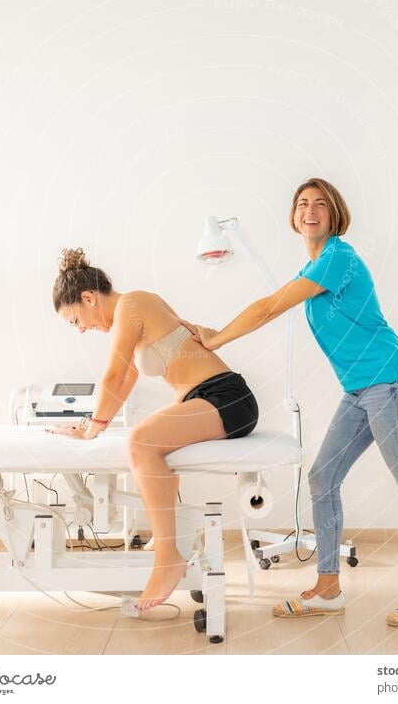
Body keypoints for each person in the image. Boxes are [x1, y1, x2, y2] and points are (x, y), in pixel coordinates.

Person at [187, 178, 398, 626]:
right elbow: (270, 304)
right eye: (302, 204)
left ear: (334, 214)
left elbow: (268, 308)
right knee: (323, 477)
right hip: (360, 391)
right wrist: (213, 333)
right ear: (293, 217)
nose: (310, 210)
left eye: (320, 204)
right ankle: (328, 588)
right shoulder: (314, 268)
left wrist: (216, 338)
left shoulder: (337, 258)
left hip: (393, 384)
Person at [46, 247, 258, 611]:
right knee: (148, 441)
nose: (81, 330)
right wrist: (94, 423)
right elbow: (126, 377)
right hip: (209, 398)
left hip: (226, 397)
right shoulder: (136, 308)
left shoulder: (132, 304)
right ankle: (171, 544)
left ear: (88, 297)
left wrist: (89, 430)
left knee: (140, 442)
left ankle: (167, 557)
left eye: (75, 319)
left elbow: (113, 375)